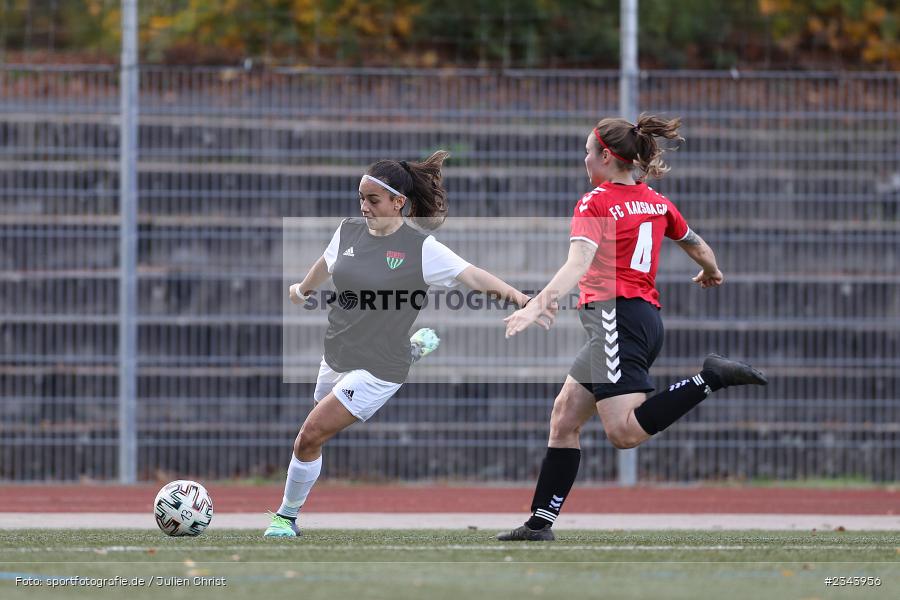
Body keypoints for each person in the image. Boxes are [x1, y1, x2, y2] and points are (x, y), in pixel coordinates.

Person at [497, 114, 768, 541]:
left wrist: (536, 305)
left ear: (606, 155)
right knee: (564, 416)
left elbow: (578, 263)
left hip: (615, 319)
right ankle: (539, 524)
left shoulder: (596, 201)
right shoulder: (656, 201)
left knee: (623, 433)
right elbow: (696, 243)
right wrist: (712, 271)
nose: (585, 159)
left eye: (588, 151)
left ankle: (709, 378)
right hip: (638, 318)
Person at [265, 150, 553, 537]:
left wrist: (524, 300)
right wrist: (302, 289)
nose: (364, 206)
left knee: (310, 434)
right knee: (315, 432)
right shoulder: (348, 230)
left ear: (398, 202)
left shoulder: (421, 249)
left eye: (373, 200)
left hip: (379, 367)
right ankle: (412, 348)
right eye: (361, 198)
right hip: (336, 352)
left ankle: (285, 518)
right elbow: (327, 261)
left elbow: (474, 277)